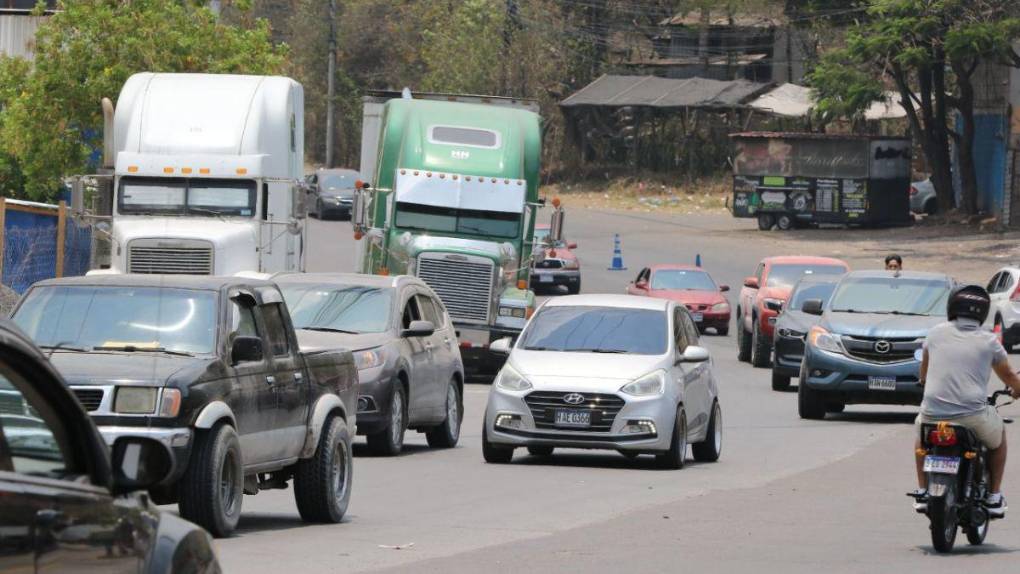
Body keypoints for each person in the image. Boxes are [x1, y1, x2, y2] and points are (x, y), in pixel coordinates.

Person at [913, 285, 1020, 516]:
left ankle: (922, 491)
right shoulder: (989, 341)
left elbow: (925, 368)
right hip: (972, 415)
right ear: (983, 312)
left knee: (920, 441)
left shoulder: (934, 333)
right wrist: (1017, 391)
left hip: (932, 412)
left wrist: (923, 381)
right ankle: (993, 496)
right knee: (999, 439)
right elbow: (1009, 376)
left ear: (951, 306)